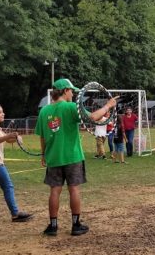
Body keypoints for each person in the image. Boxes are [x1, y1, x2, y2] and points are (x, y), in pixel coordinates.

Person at [36, 78, 116, 236]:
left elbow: (42, 137)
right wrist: (108, 105)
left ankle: (53, 226)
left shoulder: (44, 111)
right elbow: (92, 118)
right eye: (72, 91)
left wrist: (44, 154)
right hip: (72, 157)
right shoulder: (71, 107)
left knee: (54, 191)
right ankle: (75, 225)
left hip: (53, 157)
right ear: (65, 91)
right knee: (74, 189)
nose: (73, 94)